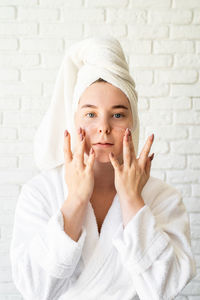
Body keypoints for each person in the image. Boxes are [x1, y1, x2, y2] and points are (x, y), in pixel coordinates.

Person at [10, 36, 196, 300]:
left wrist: (133, 200)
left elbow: (164, 290)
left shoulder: (162, 198)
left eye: (118, 114)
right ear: (74, 120)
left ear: (134, 121)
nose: (104, 127)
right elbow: (34, 289)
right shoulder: (40, 192)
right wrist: (75, 200)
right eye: (90, 114)